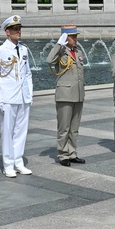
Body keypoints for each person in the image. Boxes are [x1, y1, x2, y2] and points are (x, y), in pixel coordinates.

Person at [0, 15, 34, 178]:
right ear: (7, 32)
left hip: (23, 97)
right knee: (7, 131)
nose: (18, 31)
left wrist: (29, 93)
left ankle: (18, 161)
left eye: (19, 29)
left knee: (21, 131)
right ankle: (8, 164)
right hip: (8, 98)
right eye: (15, 29)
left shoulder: (23, 49)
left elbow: (28, 73)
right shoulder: (0, 51)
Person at [47, 24, 86, 166]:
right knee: (64, 127)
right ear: (65, 38)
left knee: (74, 127)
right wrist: (58, 44)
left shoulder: (79, 51)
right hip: (65, 94)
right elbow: (49, 60)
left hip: (78, 93)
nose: (75, 39)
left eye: (76, 36)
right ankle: (63, 154)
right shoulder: (60, 51)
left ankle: (72, 152)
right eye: (72, 36)